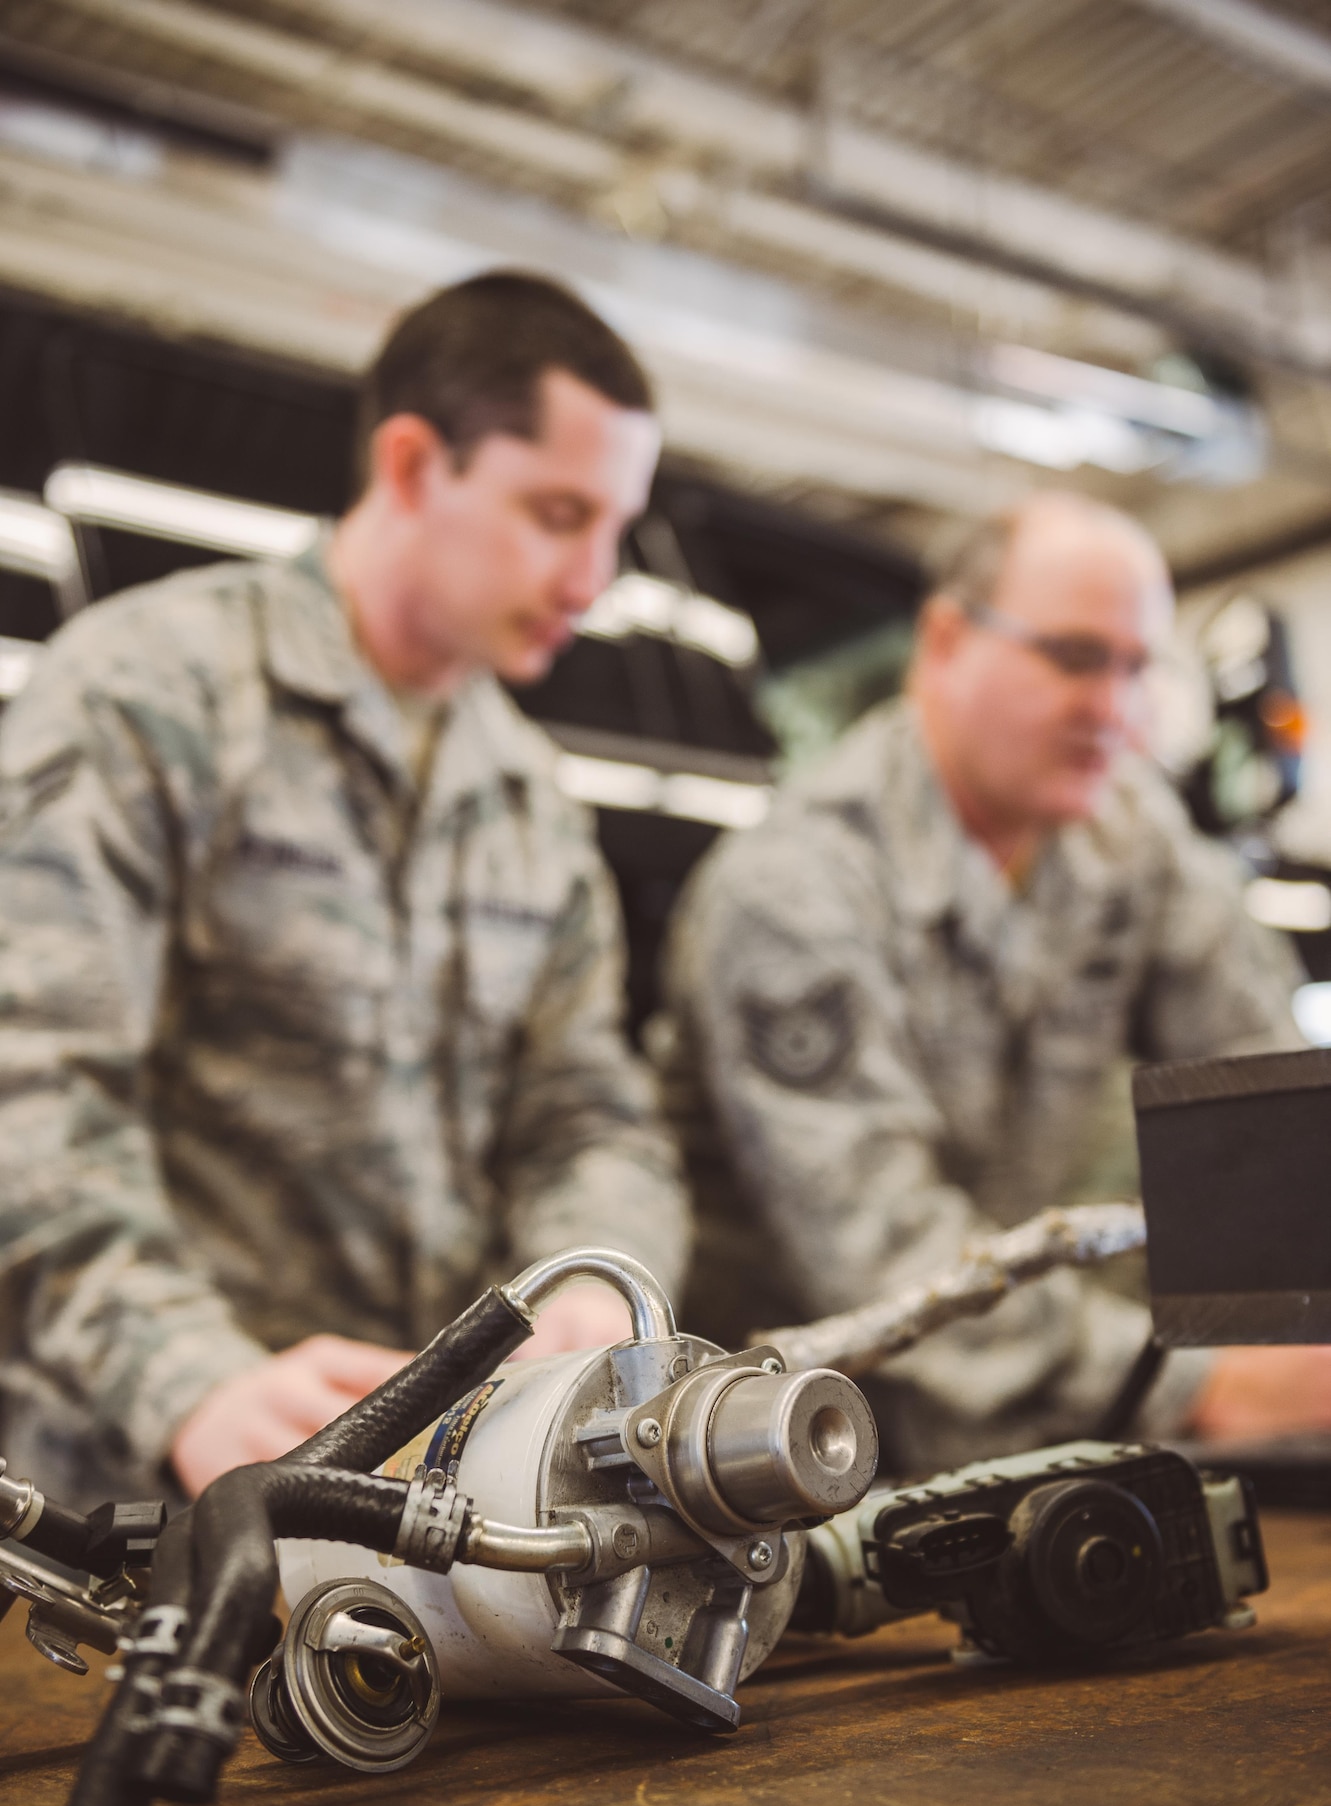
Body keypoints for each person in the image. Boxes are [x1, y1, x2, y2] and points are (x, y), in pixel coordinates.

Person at [0, 271, 688, 1505]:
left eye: (615, 527)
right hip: (138, 1498)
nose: (595, 577)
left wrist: (593, 1284)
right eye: (556, 512)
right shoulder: (151, 691)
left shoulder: (528, 794)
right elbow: (31, 1079)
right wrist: (189, 1374)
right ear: (417, 464)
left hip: (427, 1508)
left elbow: (585, 1112)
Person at [660, 490, 1331, 1475]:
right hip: (798, 1452)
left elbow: (1263, 1096)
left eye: (1134, 666)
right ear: (943, 640)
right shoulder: (794, 886)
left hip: (1029, 1419)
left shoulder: (1124, 829)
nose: (1110, 707)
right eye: (1069, 655)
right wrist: (1210, 1384)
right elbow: (882, 1256)